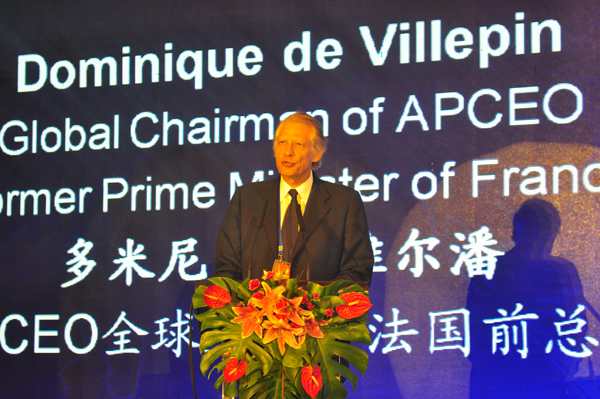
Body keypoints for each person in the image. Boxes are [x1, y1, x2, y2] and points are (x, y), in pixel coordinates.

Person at [213, 112, 374, 285]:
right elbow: (226, 270)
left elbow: (356, 272)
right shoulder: (245, 199)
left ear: (317, 153)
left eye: (298, 144)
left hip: (317, 310)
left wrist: (314, 306)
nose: (288, 152)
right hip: (256, 310)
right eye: (282, 143)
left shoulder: (344, 202)